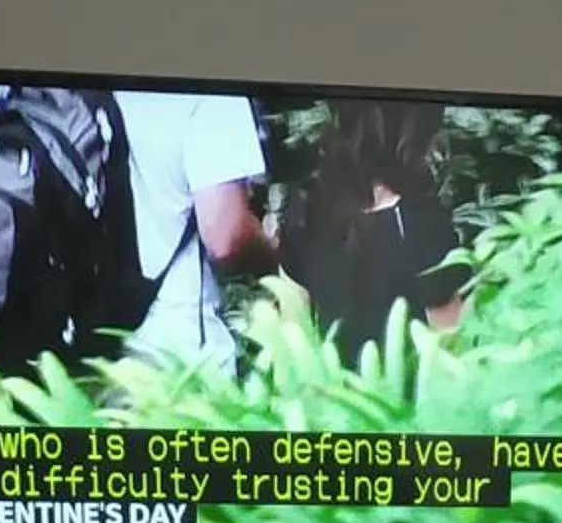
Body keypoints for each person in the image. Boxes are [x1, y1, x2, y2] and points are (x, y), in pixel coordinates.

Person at [278, 99, 471, 365]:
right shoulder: (423, 223)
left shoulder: (305, 207)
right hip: (403, 403)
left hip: (330, 398)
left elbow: (291, 341)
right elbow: (450, 354)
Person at [112, 90, 276, 373]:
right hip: (176, 355)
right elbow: (227, 238)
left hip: (82, 347)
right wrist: (279, 253)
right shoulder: (214, 94)